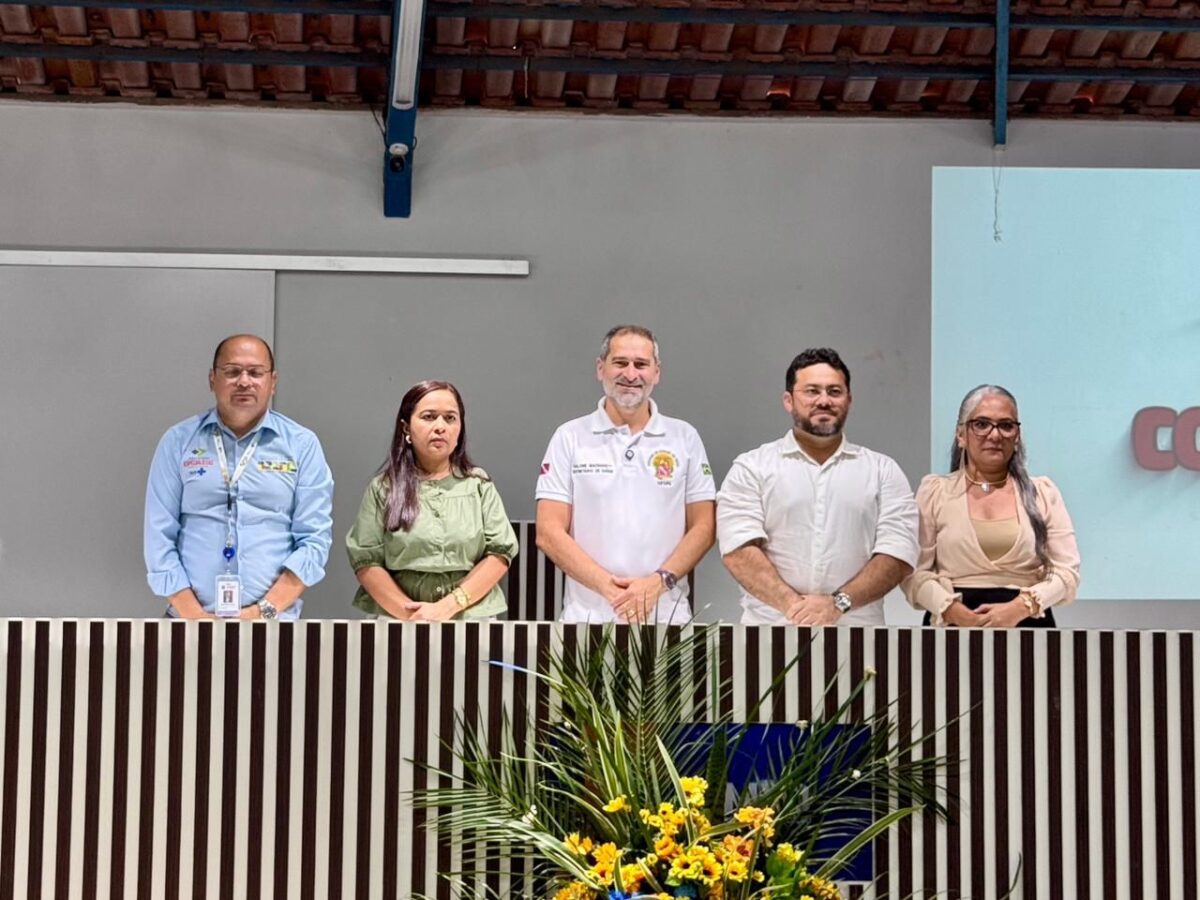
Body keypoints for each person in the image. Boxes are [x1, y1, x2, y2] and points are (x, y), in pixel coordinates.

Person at [717, 348, 918, 626]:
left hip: (857, 636)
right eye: (812, 391)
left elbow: (898, 553)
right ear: (788, 400)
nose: (824, 401)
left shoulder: (883, 471)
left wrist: (837, 605)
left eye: (834, 392)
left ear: (849, 400)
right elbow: (738, 550)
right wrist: (795, 608)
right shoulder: (752, 467)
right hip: (769, 633)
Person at [144, 334, 334, 620]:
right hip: (188, 622)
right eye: (232, 372)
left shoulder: (301, 445)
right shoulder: (178, 441)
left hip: (273, 623)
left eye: (256, 373)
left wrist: (262, 612)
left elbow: (314, 540)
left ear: (273, 382)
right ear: (212, 379)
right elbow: (158, 536)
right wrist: (195, 618)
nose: (244, 381)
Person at [535, 325, 716, 624]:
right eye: (620, 362)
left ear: (656, 372)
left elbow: (704, 527)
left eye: (641, 364)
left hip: (666, 617)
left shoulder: (685, 438)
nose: (630, 374)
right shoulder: (569, 437)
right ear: (600, 368)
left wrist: (656, 584)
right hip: (587, 619)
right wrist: (611, 590)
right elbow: (548, 532)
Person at [902, 385, 1080, 627]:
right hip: (952, 629)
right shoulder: (935, 492)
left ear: (1017, 436)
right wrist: (951, 610)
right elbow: (913, 572)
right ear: (961, 435)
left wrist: (1020, 608)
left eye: (1006, 425)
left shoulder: (1043, 493)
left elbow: (1067, 572)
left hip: (1029, 628)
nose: (995, 435)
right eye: (982, 424)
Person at [346, 381, 518, 621]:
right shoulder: (383, 488)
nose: (440, 427)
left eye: (450, 418)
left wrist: (446, 608)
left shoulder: (479, 485)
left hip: (470, 618)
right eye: (429, 417)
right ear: (406, 427)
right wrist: (414, 616)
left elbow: (499, 554)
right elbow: (366, 560)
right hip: (397, 621)